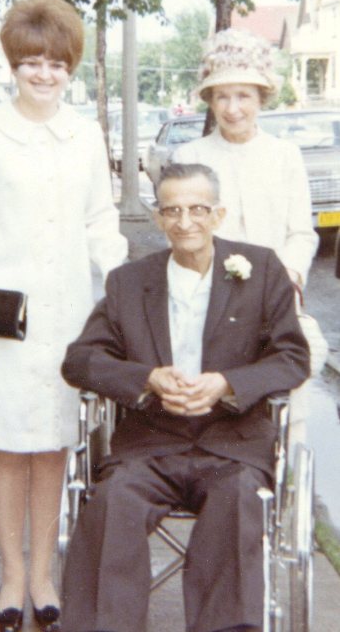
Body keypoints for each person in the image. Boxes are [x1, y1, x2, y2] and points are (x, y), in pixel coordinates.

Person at [0, 0, 127, 632]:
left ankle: (43, 573)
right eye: (31, 62)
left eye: (55, 63)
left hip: (69, 312)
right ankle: (11, 575)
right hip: (3, 317)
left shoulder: (87, 135)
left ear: (70, 67)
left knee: (52, 447)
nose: (43, 74)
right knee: (8, 445)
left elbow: (101, 220)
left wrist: (117, 284)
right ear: (13, 65)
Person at [60, 163, 310, 632]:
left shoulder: (262, 269)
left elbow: (292, 357)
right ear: (158, 218)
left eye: (198, 209)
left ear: (218, 214)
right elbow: (80, 361)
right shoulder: (128, 282)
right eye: (172, 210)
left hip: (231, 446)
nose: (185, 221)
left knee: (238, 504)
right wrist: (147, 378)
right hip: (151, 445)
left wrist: (228, 385)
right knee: (113, 503)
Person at [173, 28, 320, 448]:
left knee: (294, 372)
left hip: (272, 302)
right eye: (222, 96)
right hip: (205, 302)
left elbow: (300, 233)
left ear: (261, 98)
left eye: (244, 96)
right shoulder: (190, 157)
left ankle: (282, 464)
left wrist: (286, 281)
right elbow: (182, 237)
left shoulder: (284, 157)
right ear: (209, 100)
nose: (233, 108)